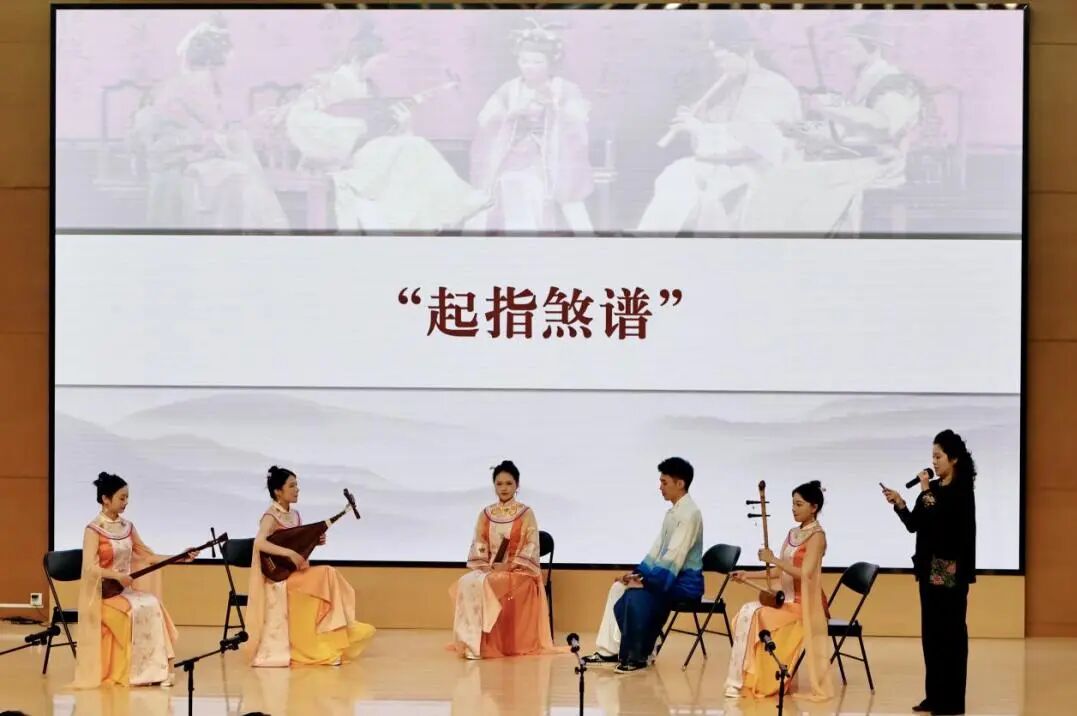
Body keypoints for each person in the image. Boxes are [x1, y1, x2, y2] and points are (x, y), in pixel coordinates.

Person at [282, 23, 489, 231]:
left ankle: (452, 203)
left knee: (415, 145)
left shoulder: (369, 88)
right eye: (376, 63)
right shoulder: (325, 84)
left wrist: (402, 124)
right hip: (341, 160)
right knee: (412, 148)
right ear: (357, 59)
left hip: (371, 152)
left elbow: (380, 127)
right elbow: (300, 119)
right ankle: (453, 204)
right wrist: (354, 128)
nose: (377, 70)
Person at [740, 17, 923, 235]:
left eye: (849, 48)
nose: (843, 54)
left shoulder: (896, 82)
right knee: (782, 175)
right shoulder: (866, 81)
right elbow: (850, 133)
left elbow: (883, 126)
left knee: (790, 179)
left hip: (879, 166)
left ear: (873, 48)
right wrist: (802, 132)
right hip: (858, 161)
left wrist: (830, 108)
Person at [637, 19, 802, 235]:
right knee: (677, 174)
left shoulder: (770, 87)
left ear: (745, 52)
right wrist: (699, 119)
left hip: (763, 170)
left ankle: (656, 240)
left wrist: (698, 128)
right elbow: (723, 128)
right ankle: (652, 238)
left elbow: (753, 143)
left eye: (723, 60)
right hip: (737, 166)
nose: (720, 67)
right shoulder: (736, 85)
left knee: (686, 182)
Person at [133, 16, 288, 230]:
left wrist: (244, 127)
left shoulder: (187, 81)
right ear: (210, 64)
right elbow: (218, 127)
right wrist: (252, 124)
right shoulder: (197, 82)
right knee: (240, 153)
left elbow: (217, 128)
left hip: (180, 149)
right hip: (174, 156)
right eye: (228, 65)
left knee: (239, 147)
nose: (230, 71)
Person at [466, 19, 595, 233]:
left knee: (566, 192)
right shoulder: (509, 89)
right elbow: (485, 120)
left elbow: (578, 121)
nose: (529, 67)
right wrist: (511, 115)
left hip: (557, 155)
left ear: (550, 63)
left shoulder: (565, 89)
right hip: (513, 154)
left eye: (537, 62)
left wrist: (553, 109)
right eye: (524, 61)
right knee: (510, 182)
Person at [71, 472, 197, 688]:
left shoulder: (127, 527)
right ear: (105, 499)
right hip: (104, 594)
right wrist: (117, 576)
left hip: (124, 591)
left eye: (127, 497)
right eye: (121, 498)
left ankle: (160, 669)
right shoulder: (93, 530)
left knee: (153, 604)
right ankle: (141, 672)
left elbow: (148, 556)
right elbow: (90, 568)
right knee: (135, 610)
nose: (126, 502)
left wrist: (180, 557)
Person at [882, 430, 977, 715]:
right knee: (932, 635)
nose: (933, 462)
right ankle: (934, 696)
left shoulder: (960, 490)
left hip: (949, 569)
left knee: (950, 634)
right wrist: (900, 503)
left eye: (938, 456)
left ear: (954, 458)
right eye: (932, 457)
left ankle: (952, 701)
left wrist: (925, 490)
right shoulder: (933, 489)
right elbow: (915, 524)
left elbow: (943, 522)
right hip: (928, 568)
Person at [244, 466, 375, 667]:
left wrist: (315, 541)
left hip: (294, 573)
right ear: (278, 491)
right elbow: (259, 543)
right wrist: (288, 553)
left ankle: (335, 637)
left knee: (329, 574)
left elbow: (297, 543)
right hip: (279, 578)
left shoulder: (295, 515)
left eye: (297, 485)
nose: (297, 489)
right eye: (291, 486)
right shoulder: (270, 516)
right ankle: (323, 643)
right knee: (327, 573)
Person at [581, 457, 703, 673]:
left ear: (680, 483)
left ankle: (638, 655)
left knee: (637, 594)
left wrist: (646, 582)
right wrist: (636, 575)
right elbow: (657, 550)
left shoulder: (690, 514)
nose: (660, 487)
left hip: (684, 583)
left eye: (664, 482)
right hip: (668, 578)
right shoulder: (672, 513)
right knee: (619, 588)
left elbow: (674, 556)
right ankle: (609, 651)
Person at [724, 481, 833, 701]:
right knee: (747, 612)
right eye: (793, 504)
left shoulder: (817, 536)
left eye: (799, 504)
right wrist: (747, 574)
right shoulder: (794, 532)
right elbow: (778, 572)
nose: (794, 509)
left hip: (805, 605)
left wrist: (773, 558)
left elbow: (805, 573)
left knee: (756, 614)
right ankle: (745, 679)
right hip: (787, 602)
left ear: (814, 507)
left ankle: (763, 681)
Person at [450, 460, 557, 659]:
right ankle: (473, 642)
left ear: (517, 485)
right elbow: (480, 541)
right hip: (490, 569)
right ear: (494, 486)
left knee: (491, 583)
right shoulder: (486, 513)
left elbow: (531, 544)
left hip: (519, 572)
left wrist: (510, 565)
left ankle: (489, 644)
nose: (504, 488)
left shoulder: (526, 513)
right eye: (499, 484)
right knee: (466, 582)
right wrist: (485, 566)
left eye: (509, 483)